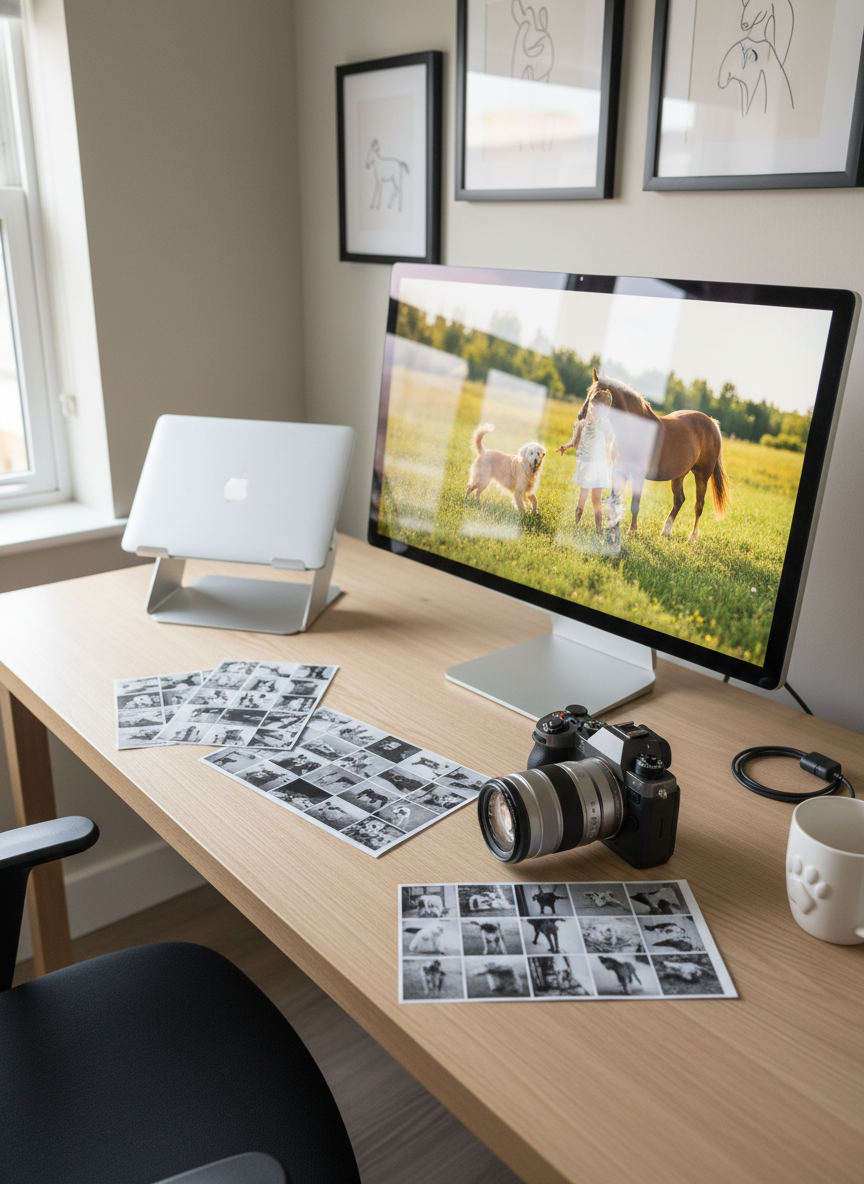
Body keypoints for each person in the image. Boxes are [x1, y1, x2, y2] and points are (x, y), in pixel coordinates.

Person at [556, 388, 614, 530]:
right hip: (586, 465)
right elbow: (574, 442)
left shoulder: (603, 422)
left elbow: (610, 436)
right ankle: (576, 524)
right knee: (582, 497)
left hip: (599, 465)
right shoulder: (582, 423)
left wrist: (603, 421)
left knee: (596, 498)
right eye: (592, 406)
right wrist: (566, 446)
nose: (593, 410)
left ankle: (598, 529)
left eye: (597, 408)